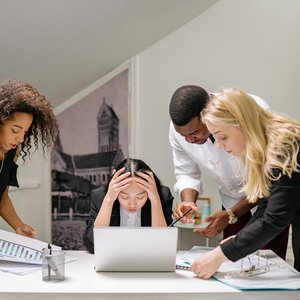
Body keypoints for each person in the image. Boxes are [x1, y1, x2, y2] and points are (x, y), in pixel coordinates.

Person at [169, 85, 289, 260]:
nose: (188, 140)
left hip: (268, 199)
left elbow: (270, 181)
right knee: (230, 262)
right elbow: (186, 172)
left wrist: (232, 213)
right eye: (183, 136)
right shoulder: (181, 128)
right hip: (230, 200)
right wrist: (188, 202)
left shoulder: (252, 111)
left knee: (268, 263)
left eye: (194, 133)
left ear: (208, 116)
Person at [190, 87, 300, 278]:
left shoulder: (285, 145)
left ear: (243, 123)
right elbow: (267, 202)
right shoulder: (270, 144)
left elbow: (275, 218)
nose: (219, 145)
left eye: (222, 136)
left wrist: (221, 254)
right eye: (215, 138)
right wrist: (238, 241)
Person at [0, 80, 58, 237]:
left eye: (24, 132)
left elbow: (2, 198)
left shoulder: (12, 153)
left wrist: (18, 225)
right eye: (15, 130)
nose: (20, 139)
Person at [83, 158, 174, 253]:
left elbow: (163, 247)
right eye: (125, 197)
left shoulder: (162, 196)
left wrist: (155, 200)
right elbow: (92, 245)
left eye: (140, 197)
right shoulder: (101, 196)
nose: (132, 204)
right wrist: (108, 200)